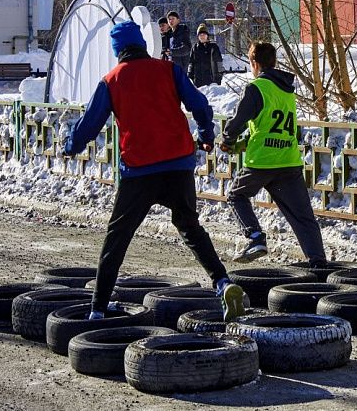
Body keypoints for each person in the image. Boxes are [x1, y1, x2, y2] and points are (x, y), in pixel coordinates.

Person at [62, 21, 245, 321]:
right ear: (142, 44)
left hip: (139, 171)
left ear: (118, 50)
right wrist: (206, 135)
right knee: (190, 227)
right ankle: (223, 282)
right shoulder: (168, 70)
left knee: (117, 236)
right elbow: (199, 104)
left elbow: (90, 124)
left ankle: (98, 309)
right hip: (178, 165)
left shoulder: (112, 80)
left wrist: (71, 146)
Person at [220, 42, 327, 267]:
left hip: (262, 162)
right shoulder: (286, 90)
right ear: (274, 62)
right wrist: (244, 142)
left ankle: (255, 237)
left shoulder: (256, 87)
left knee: (236, 196)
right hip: (288, 161)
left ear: (254, 63)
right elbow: (270, 125)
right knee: (302, 217)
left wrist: (228, 140)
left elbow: (238, 121)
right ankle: (318, 264)